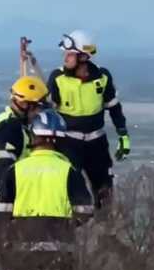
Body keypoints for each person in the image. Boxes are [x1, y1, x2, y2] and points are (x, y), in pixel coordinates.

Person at [0, 108, 93, 270]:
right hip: (60, 252)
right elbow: (85, 210)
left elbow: (1, 215)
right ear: (59, 140)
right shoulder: (68, 171)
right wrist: (66, 225)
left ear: (33, 137)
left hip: (22, 253)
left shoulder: (15, 171)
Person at [48, 30, 131, 209]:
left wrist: (123, 135)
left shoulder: (102, 77)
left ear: (84, 57)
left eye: (70, 54)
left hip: (96, 144)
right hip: (68, 144)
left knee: (105, 192)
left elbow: (114, 107)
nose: (65, 57)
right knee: (68, 192)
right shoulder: (57, 78)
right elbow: (48, 113)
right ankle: (70, 232)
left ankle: (106, 232)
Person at [0, 76, 48, 225]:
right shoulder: (10, 128)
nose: (39, 113)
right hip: (5, 202)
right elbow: (6, 170)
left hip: (1, 200)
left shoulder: (11, 123)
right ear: (26, 105)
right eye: (37, 107)